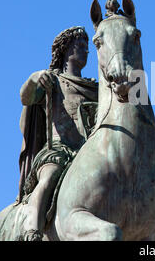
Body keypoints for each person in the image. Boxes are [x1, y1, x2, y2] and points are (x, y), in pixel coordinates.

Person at [16, 26, 98, 241]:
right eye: (80, 46)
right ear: (66, 50)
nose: (86, 51)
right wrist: (35, 78)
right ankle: (32, 229)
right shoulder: (52, 80)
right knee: (50, 175)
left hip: (89, 152)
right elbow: (26, 97)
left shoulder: (97, 89)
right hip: (59, 150)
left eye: (87, 47)